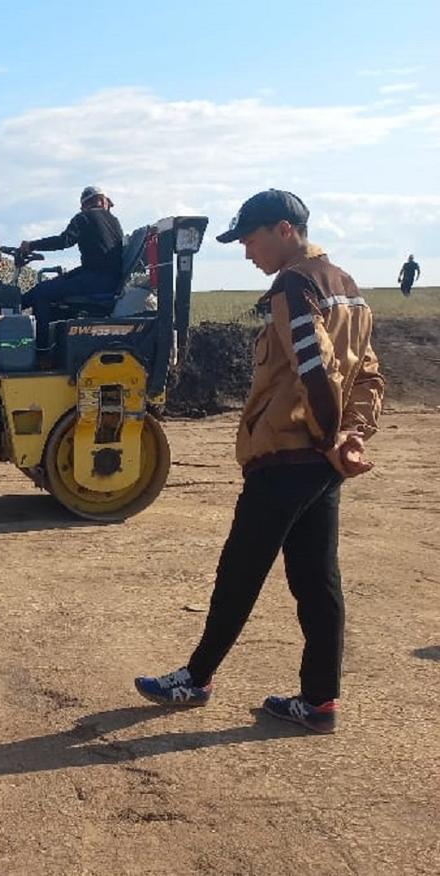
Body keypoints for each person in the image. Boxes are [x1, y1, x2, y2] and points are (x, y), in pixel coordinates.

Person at [135, 189, 384, 734]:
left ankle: (195, 679)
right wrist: (350, 437)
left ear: (284, 231)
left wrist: (324, 438)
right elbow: (367, 375)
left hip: (290, 455)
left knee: (240, 571)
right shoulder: (350, 289)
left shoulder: (294, 287)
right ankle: (319, 702)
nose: (247, 252)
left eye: (250, 239)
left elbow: (316, 370)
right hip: (321, 461)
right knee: (317, 580)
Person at [18, 185, 124, 354]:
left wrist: (31, 246)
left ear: (85, 205)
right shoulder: (114, 222)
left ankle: (41, 351)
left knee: (41, 293)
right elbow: (101, 259)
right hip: (111, 280)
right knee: (52, 285)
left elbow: (64, 241)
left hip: (95, 281)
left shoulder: (83, 218)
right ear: (103, 201)